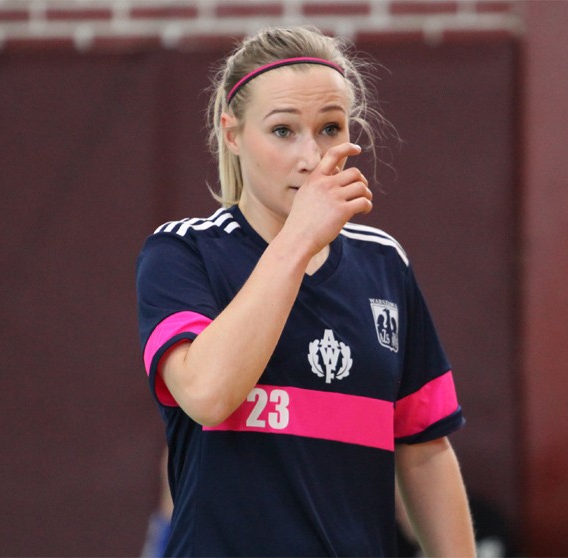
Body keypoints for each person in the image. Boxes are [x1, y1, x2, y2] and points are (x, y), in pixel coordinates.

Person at [135, 25, 475, 557]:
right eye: (283, 130)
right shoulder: (183, 252)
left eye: (330, 128)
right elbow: (207, 396)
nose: (312, 156)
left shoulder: (384, 263)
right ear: (232, 134)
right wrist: (299, 238)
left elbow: (425, 449)